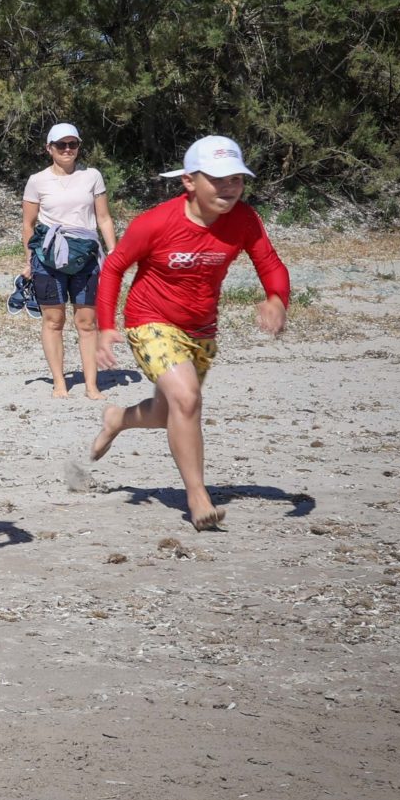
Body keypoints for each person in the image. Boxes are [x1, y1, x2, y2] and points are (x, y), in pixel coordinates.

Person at [88, 135, 289, 531]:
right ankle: (197, 496)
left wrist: (277, 299)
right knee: (187, 397)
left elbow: (270, 263)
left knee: (172, 411)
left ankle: (118, 419)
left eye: (236, 179)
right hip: (149, 321)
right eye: (218, 179)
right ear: (189, 181)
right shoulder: (157, 222)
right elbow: (114, 268)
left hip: (201, 330)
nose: (229, 188)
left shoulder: (245, 220)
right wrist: (106, 327)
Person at [22, 122, 117, 399]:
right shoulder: (37, 181)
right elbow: (28, 224)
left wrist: (114, 254)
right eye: (60, 145)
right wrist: (29, 260)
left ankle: (91, 385)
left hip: (85, 256)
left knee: (87, 322)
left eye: (72, 144)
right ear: (49, 148)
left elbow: (103, 218)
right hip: (48, 257)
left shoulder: (93, 176)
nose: (67, 149)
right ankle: (59, 383)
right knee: (53, 320)